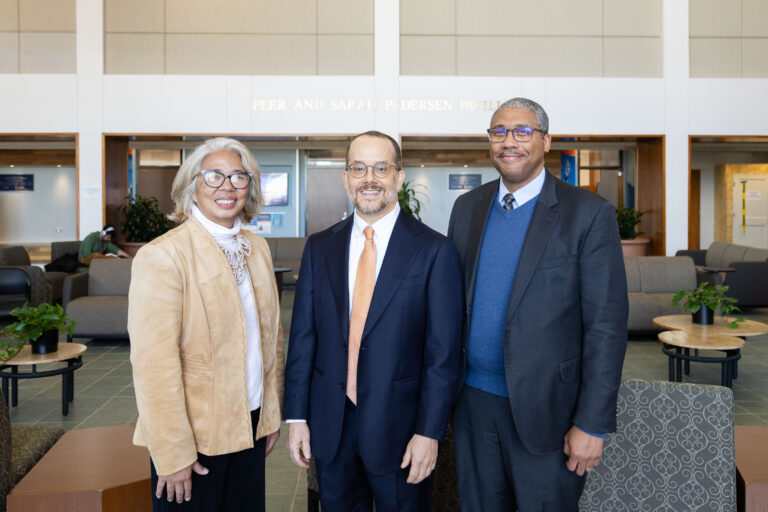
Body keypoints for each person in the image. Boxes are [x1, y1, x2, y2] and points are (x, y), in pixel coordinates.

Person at [447, 98, 628, 511]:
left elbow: (606, 326)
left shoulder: (588, 214)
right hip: (473, 406)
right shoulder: (467, 208)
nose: (509, 142)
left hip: (549, 412)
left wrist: (592, 423)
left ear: (546, 141)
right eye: (499, 132)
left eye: (523, 131)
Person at [284, 131, 463, 511]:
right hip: (331, 428)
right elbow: (302, 339)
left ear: (399, 177)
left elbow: (443, 355)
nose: (369, 179)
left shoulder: (434, 251)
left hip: (402, 433)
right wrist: (296, 417)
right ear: (345, 178)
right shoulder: (320, 247)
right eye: (359, 168)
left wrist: (429, 433)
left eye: (381, 168)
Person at [128, 137, 284, 512]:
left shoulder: (257, 249)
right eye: (214, 176)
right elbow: (153, 366)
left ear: (250, 187)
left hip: (250, 426)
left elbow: (271, 341)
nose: (227, 187)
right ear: (192, 186)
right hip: (193, 439)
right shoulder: (164, 255)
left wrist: (270, 416)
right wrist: (173, 453)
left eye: (238, 177)